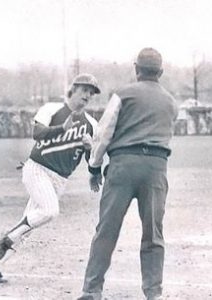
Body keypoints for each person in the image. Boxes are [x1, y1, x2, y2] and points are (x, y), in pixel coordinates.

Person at [78, 48, 178, 300]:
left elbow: (103, 133)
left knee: (107, 230)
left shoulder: (123, 94)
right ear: (161, 72)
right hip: (156, 167)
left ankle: (92, 290)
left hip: (123, 165)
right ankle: (153, 292)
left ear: (136, 69)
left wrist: (94, 167)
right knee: (153, 233)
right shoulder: (171, 102)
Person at [0, 73, 100, 283]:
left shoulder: (91, 124)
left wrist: (89, 149)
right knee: (49, 211)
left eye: (91, 93)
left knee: (29, 224)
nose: (87, 96)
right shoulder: (52, 109)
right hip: (37, 169)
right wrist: (61, 129)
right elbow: (37, 133)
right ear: (73, 89)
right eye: (84, 90)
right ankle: (7, 237)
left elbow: (90, 160)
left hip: (60, 180)